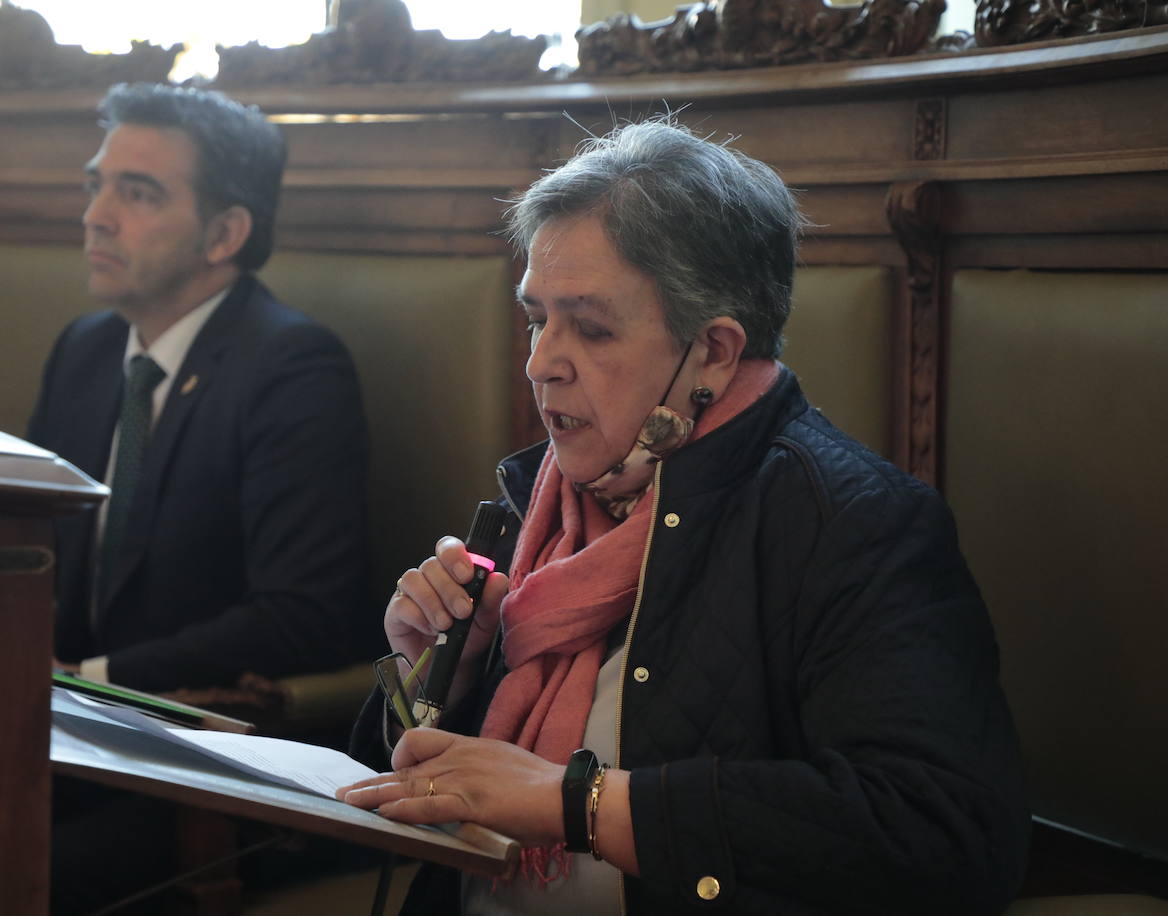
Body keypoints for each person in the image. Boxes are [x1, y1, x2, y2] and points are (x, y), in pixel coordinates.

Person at [340, 118, 1029, 915]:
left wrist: (583, 804)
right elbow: (400, 785)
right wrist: (441, 681)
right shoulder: (544, 501)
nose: (540, 363)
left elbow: (947, 836)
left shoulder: (854, 521)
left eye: (591, 328)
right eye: (537, 319)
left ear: (715, 352)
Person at [29, 82, 373, 913]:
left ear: (226, 233)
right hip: (64, 738)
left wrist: (91, 679)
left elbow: (305, 612)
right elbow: (28, 540)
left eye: (137, 193)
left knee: (14, 864)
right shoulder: (85, 349)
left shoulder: (293, 369)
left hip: (204, 765)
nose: (97, 215)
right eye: (96, 185)